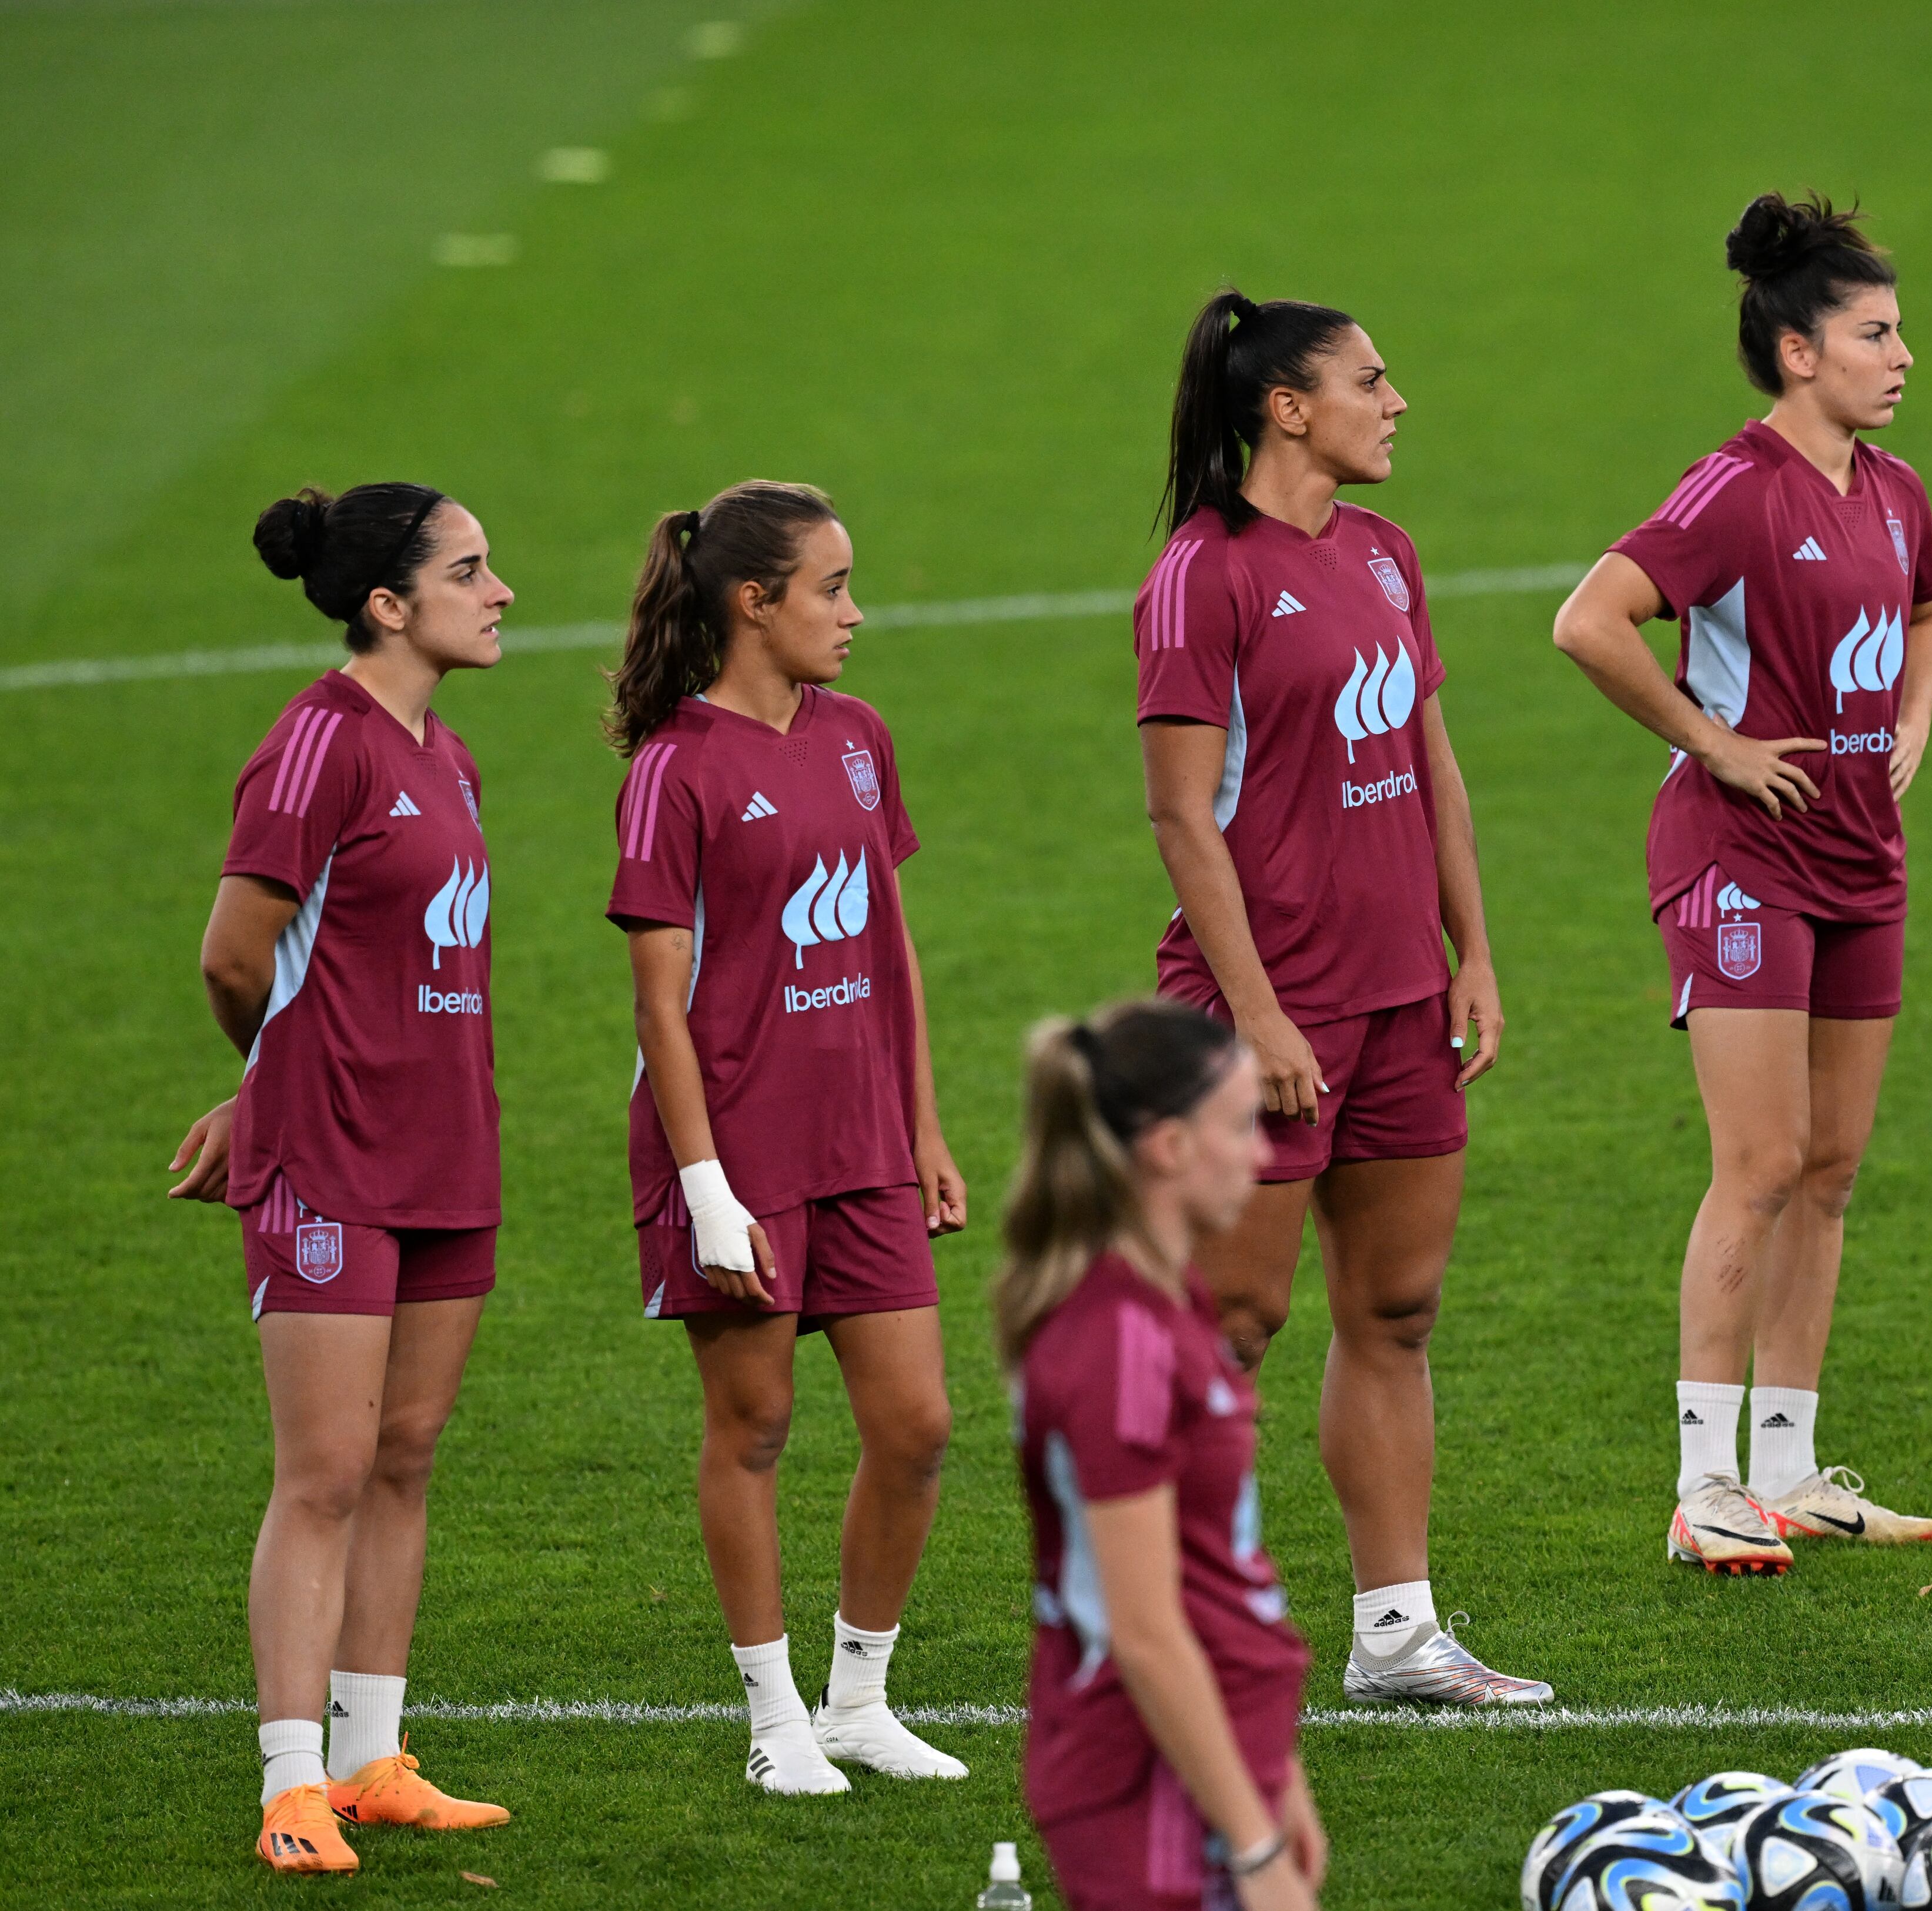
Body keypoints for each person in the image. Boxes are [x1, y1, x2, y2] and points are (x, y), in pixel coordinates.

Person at [1134, 290, 1546, 1701]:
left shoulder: (1385, 553)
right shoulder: (1204, 574)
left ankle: (1394, 1634)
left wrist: (1472, 951)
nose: (1399, 398)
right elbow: (1183, 818)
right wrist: (1255, 1016)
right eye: (1372, 379)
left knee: (1400, 1307)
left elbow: (1433, 764)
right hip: (1260, 1009)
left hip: (1396, 1000)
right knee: (1231, 1317)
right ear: (1287, 409)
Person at [1552, 193, 1932, 1576]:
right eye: (1874, 334)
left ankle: (1787, 1466)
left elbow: (1928, 608)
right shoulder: (1733, 490)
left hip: (1857, 857)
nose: (1902, 356)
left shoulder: (1893, 492)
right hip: (1738, 859)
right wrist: (1711, 744)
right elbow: (1588, 621)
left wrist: (1911, 720)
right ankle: (1703, 1480)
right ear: (1797, 353)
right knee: (1762, 1160)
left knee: (1830, 1170)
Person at [167, 483, 516, 1873]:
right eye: (471, 569)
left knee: (404, 1453)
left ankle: (375, 1756)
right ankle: (291, 1779)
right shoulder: (317, 745)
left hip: (447, 1147)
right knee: (321, 1470)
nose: (500, 590)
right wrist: (275, 1086)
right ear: (389, 602)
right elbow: (233, 955)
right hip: (334, 1155)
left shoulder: (450, 754)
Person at [603, 480, 972, 1788]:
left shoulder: (860, 736)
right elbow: (658, 999)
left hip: (863, 1138)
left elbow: (891, 946)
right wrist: (704, 1188)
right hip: (740, 1151)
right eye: (831, 589)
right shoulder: (674, 769)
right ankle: (774, 1725)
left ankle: (858, 1700)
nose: (854, 613)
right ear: (753, 602)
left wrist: (923, 1122)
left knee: (917, 1421)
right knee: (753, 1424)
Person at [1003, 1000, 1326, 1911]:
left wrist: (1277, 1775)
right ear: (1168, 1148)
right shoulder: (1121, 1348)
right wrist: (1255, 1848)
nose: (1263, 1157)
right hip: (1146, 1781)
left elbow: (1218, 1564)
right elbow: (1143, 1629)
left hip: (1214, 1759)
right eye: (1239, 1130)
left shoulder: (1169, 1296)